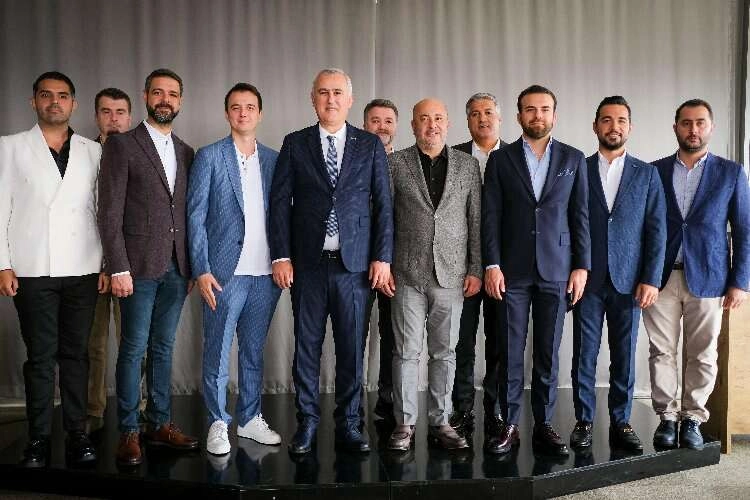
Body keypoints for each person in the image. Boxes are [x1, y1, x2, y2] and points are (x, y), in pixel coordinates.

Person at [269, 68, 393, 455]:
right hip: (307, 265)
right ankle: (307, 422)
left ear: (350, 100)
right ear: (313, 99)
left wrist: (382, 257)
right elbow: (279, 204)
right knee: (306, 347)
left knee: (352, 349)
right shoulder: (295, 143)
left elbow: (383, 206)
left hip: (354, 267)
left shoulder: (369, 145)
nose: (331, 99)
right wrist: (281, 256)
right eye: (323, 92)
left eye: (338, 92)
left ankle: (350, 424)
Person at [0, 71, 104, 467]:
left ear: (73, 104)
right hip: (32, 266)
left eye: (62, 96)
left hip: (83, 266)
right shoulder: (10, 147)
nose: (54, 102)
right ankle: (38, 438)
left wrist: (106, 264)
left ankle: (77, 432)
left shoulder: (92, 151)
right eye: (46, 95)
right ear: (34, 102)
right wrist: (2, 264)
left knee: (76, 354)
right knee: (41, 356)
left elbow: (101, 211)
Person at [482, 84, 590, 456]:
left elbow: (580, 216)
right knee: (510, 352)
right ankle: (510, 424)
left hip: (557, 269)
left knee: (547, 352)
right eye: (530, 109)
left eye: (544, 109)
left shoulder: (574, 159)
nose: (537, 115)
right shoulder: (501, 159)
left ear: (554, 115)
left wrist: (581, 266)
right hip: (510, 271)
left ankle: (544, 424)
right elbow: (491, 216)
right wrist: (491, 264)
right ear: (519, 116)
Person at [98, 68, 198, 466]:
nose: (165, 100)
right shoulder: (122, 145)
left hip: (177, 267)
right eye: (158, 92)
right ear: (145, 96)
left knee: (163, 347)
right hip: (136, 268)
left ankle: (159, 423)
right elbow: (109, 212)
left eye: (172, 94)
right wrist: (118, 266)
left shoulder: (187, 152)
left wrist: (190, 266)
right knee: (133, 348)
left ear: (180, 101)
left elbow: (186, 213)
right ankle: (128, 430)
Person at [645, 99, 750, 450]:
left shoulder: (731, 173)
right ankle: (667, 417)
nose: (693, 129)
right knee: (661, 351)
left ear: (711, 127)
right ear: (676, 127)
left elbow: (744, 230)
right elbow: (645, 228)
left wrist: (740, 281)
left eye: (700, 122)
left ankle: (692, 417)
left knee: (703, 353)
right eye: (687, 123)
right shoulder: (654, 171)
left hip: (710, 276)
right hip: (660, 277)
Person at [188, 83, 282, 455]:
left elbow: (283, 215)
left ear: (260, 113)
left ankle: (249, 418)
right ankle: (217, 421)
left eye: (250, 107)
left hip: (264, 275)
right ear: (227, 113)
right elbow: (195, 217)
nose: (243, 113)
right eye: (236, 107)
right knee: (217, 351)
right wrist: (201, 269)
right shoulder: (209, 156)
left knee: (253, 352)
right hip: (222, 275)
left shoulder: (274, 159)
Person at [569, 96, 666, 452]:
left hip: (630, 281)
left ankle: (621, 421)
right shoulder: (578, 168)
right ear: (596, 126)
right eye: (607, 120)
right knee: (584, 354)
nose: (614, 126)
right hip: (588, 279)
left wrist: (651, 277)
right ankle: (583, 420)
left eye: (621, 120)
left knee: (624, 356)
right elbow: (568, 223)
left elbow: (657, 229)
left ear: (630, 127)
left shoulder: (647, 173)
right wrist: (573, 267)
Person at [385, 98, 482, 451]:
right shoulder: (395, 164)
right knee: (405, 352)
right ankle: (404, 423)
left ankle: (441, 420)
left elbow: (475, 220)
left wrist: (476, 268)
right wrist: (384, 263)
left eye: (438, 118)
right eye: (424, 118)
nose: (432, 124)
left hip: (452, 275)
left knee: (445, 352)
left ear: (448, 123)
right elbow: (385, 219)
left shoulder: (468, 166)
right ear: (413, 125)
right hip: (406, 274)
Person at [451, 92, 507, 435]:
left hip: (504, 269)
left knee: (500, 341)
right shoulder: (453, 157)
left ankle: (495, 408)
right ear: (468, 120)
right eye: (474, 114)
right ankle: (461, 408)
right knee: (462, 342)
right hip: (461, 268)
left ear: (499, 118)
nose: (482, 118)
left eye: (488, 112)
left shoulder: (517, 157)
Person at [87, 87, 133, 433]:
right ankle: (94, 411)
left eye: (119, 112)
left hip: (130, 265)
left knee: (135, 343)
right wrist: (103, 264)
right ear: (96, 117)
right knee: (94, 346)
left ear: (129, 118)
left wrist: (115, 264)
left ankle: (138, 408)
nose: (113, 119)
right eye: (106, 112)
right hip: (87, 264)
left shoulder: (138, 152)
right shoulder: (82, 155)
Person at [362, 98, 399, 420]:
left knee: (392, 336)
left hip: (394, 267)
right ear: (364, 124)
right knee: (354, 334)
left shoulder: (404, 163)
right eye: (375, 120)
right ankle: (350, 403)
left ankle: (387, 398)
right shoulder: (352, 160)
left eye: (388, 121)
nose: (381, 127)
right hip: (356, 263)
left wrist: (389, 260)